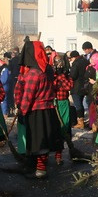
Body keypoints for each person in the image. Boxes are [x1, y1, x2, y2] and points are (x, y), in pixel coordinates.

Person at [14, 39, 62, 178]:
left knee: (39, 140)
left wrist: (22, 110)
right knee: (44, 139)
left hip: (37, 110)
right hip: (48, 109)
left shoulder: (34, 74)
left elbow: (28, 96)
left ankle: (40, 169)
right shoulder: (47, 70)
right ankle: (38, 166)